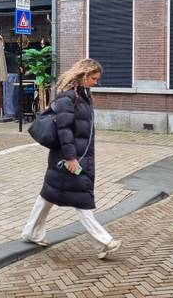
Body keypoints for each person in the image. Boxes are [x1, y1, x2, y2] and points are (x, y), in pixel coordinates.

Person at [22, 58, 122, 259]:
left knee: (48, 195)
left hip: (73, 156)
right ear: (84, 75)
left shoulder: (82, 96)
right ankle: (104, 242)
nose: (95, 82)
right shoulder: (69, 98)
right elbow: (64, 130)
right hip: (68, 158)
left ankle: (31, 232)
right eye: (93, 78)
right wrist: (71, 158)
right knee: (81, 198)